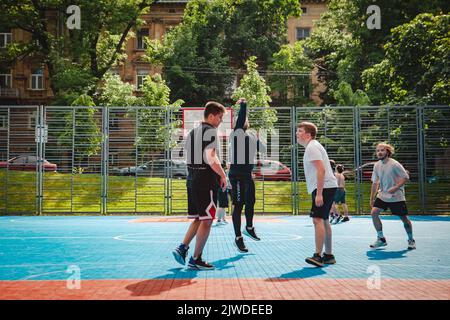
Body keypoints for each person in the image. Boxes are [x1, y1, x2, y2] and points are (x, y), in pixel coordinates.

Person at [172, 101, 228, 270]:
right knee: (207, 220)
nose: (220, 121)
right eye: (219, 117)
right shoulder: (210, 131)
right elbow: (211, 157)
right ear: (211, 116)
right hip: (205, 182)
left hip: (193, 180)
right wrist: (223, 175)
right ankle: (196, 259)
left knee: (198, 218)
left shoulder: (193, 132)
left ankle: (182, 248)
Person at [296, 121, 338, 267]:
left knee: (317, 219)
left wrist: (319, 193)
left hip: (324, 187)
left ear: (308, 134)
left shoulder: (312, 148)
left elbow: (321, 170)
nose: (297, 133)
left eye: (300, 131)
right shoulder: (313, 146)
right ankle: (328, 255)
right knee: (324, 220)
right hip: (327, 186)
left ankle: (318, 256)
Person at [228, 98, 266, 253]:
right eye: (241, 119)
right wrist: (243, 104)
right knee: (238, 205)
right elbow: (242, 117)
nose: (244, 120)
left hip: (247, 175)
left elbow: (263, 149)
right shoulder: (235, 134)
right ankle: (238, 238)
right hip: (236, 176)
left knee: (251, 202)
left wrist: (258, 138)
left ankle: (249, 227)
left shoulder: (251, 136)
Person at [369, 143, 415, 250]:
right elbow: (375, 183)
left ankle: (411, 240)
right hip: (383, 195)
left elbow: (405, 177)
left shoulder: (395, 164)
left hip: (396, 196)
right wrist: (372, 198)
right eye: (378, 151)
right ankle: (381, 239)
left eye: (382, 150)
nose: (379, 152)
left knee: (404, 219)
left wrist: (396, 187)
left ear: (387, 152)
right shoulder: (377, 165)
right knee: (374, 213)